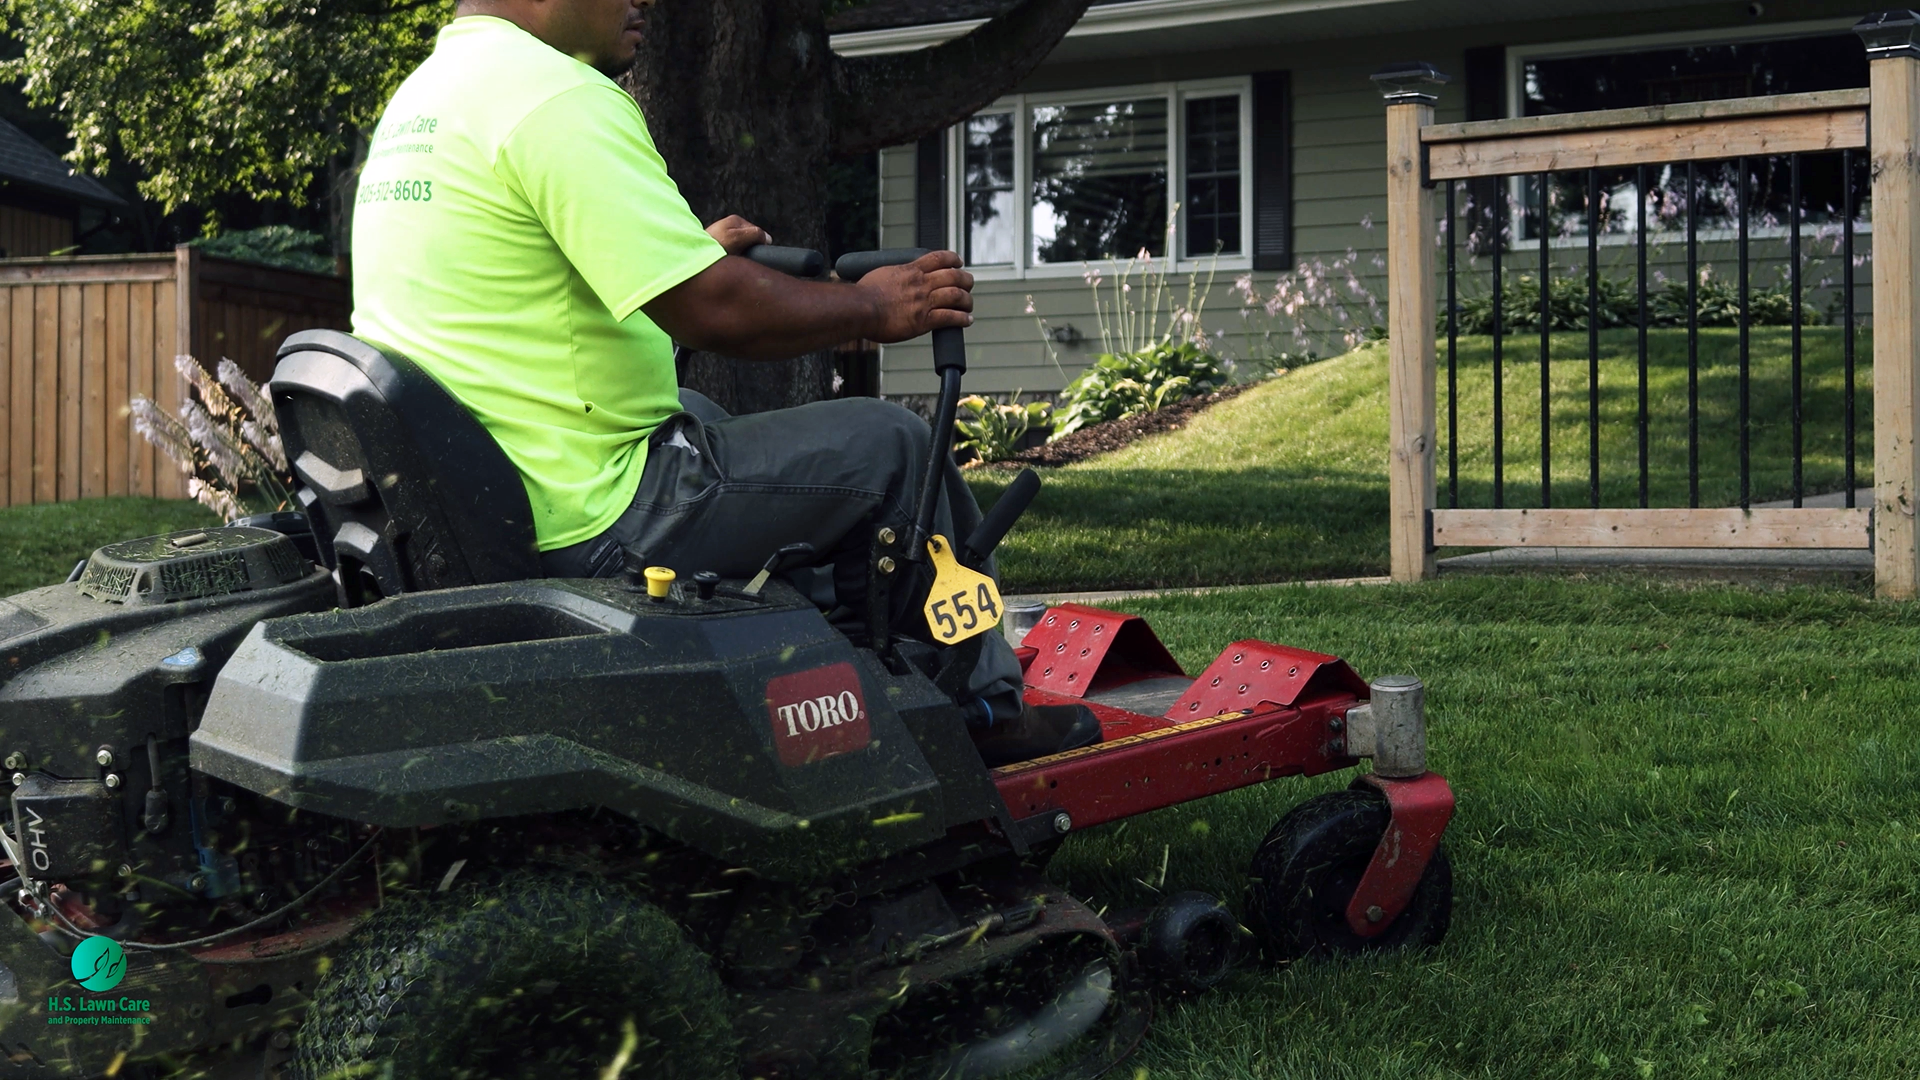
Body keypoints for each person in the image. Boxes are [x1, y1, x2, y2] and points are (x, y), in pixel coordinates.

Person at [349, 0, 1098, 765]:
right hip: (594, 522)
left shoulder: (428, 101)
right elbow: (715, 307)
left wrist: (686, 253)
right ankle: (982, 709)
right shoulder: (556, 96)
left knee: (702, 411)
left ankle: (845, 676)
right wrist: (873, 305)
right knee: (894, 447)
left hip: (492, 503)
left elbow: (515, 294)